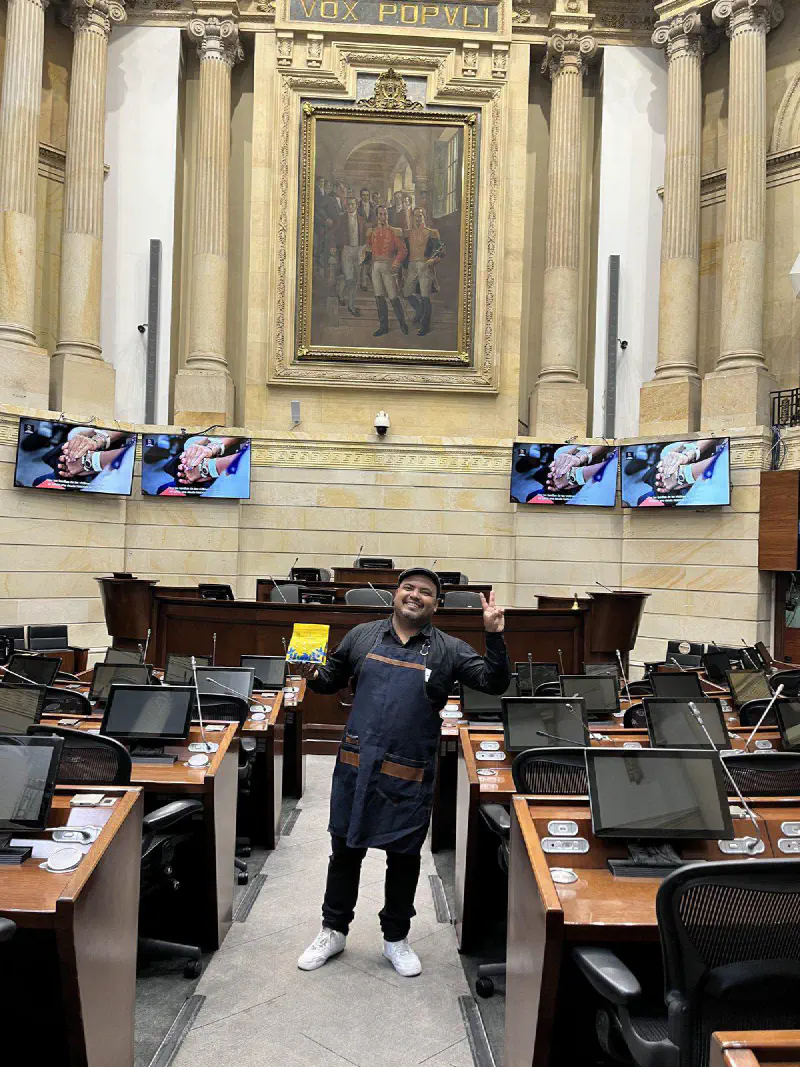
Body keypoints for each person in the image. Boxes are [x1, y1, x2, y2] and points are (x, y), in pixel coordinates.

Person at [296, 568, 510, 977]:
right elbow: (330, 679)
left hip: (409, 773)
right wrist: (312, 674)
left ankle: (396, 938)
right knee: (344, 852)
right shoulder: (362, 635)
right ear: (396, 594)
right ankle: (333, 930)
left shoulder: (449, 649)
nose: (415, 596)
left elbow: (493, 682)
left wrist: (494, 635)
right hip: (356, 767)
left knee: (404, 857)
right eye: (408, 588)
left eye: (425, 593)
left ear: (436, 603)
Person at [364, 205, 409, 337]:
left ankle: (403, 324)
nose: (383, 217)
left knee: (393, 297)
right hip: (375, 267)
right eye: (381, 214)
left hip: (388, 266)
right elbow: (368, 247)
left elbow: (403, 251)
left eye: (385, 214)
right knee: (379, 297)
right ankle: (383, 327)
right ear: (377, 216)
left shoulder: (394, 231)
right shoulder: (371, 231)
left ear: (388, 215)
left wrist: (395, 263)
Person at [402, 207, 443, 337]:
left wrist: (433, 260)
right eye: (415, 216)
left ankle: (425, 326)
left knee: (425, 296)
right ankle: (419, 310)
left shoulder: (432, 233)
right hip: (412, 265)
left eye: (420, 215)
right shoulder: (409, 233)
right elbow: (405, 252)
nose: (418, 218)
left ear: (425, 217)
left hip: (425, 266)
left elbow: (441, 252)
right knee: (406, 292)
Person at [335, 197, 366, 317]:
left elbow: (364, 236)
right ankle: (341, 294)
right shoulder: (341, 218)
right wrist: (334, 246)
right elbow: (333, 233)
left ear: (356, 206)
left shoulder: (362, 219)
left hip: (358, 249)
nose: (350, 207)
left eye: (353, 205)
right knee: (349, 278)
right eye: (348, 204)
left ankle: (351, 306)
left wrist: (363, 250)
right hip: (346, 249)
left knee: (355, 280)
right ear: (346, 205)